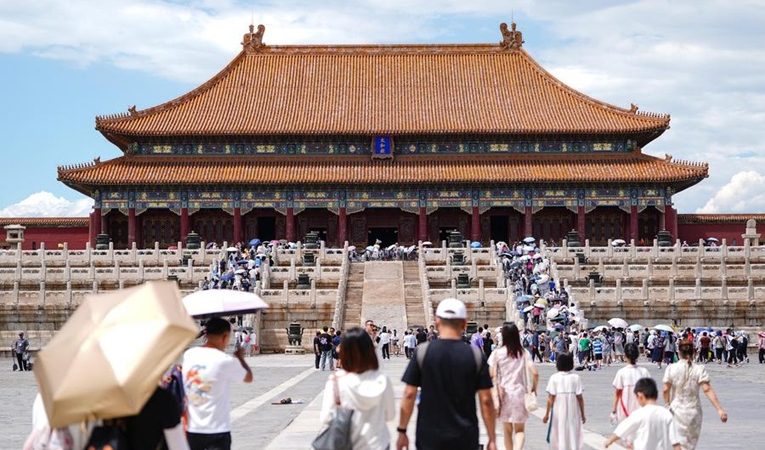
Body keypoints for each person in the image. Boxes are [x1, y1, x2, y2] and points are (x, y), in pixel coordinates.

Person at [397, 298, 496, 450]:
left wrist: (402, 431)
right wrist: (492, 438)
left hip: (429, 436)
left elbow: (409, 394)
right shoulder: (475, 355)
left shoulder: (423, 352)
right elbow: (486, 400)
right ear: (464, 324)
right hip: (465, 437)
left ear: (437, 323)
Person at [182, 318, 253, 450]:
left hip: (191, 429)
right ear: (225, 336)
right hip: (217, 430)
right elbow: (248, 377)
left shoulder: (189, 355)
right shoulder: (224, 361)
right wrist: (241, 359)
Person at [319, 327, 395, 450]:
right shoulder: (382, 380)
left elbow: (326, 418)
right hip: (378, 443)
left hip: (348, 444)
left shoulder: (336, 381)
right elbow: (390, 415)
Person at [663, 340, 728, 450]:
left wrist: (667, 405)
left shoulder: (671, 368)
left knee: (678, 444)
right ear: (694, 352)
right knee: (689, 446)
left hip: (676, 410)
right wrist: (719, 409)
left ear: (679, 352)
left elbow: (665, 389)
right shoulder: (699, 369)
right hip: (694, 411)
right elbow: (707, 389)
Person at [487, 323, 538, 450]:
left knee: (507, 430)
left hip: (503, 393)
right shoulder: (523, 352)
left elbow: (492, 375)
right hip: (520, 393)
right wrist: (533, 389)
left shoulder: (497, 353)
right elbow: (535, 373)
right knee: (519, 430)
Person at [604, 378, 680, 450]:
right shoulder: (666, 414)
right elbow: (676, 443)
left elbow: (621, 430)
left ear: (640, 396)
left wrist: (609, 441)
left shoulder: (639, 414)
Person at [542, 352, 585, 450]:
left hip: (559, 408)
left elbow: (550, 398)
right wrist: (582, 414)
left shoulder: (554, 377)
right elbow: (580, 398)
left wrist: (547, 414)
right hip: (573, 408)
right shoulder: (576, 377)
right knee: (573, 431)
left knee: (559, 430)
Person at [611, 343, 650, 434]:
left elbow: (617, 393)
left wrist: (614, 410)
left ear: (625, 356)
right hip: (641, 410)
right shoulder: (644, 372)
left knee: (627, 438)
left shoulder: (621, 372)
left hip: (625, 408)